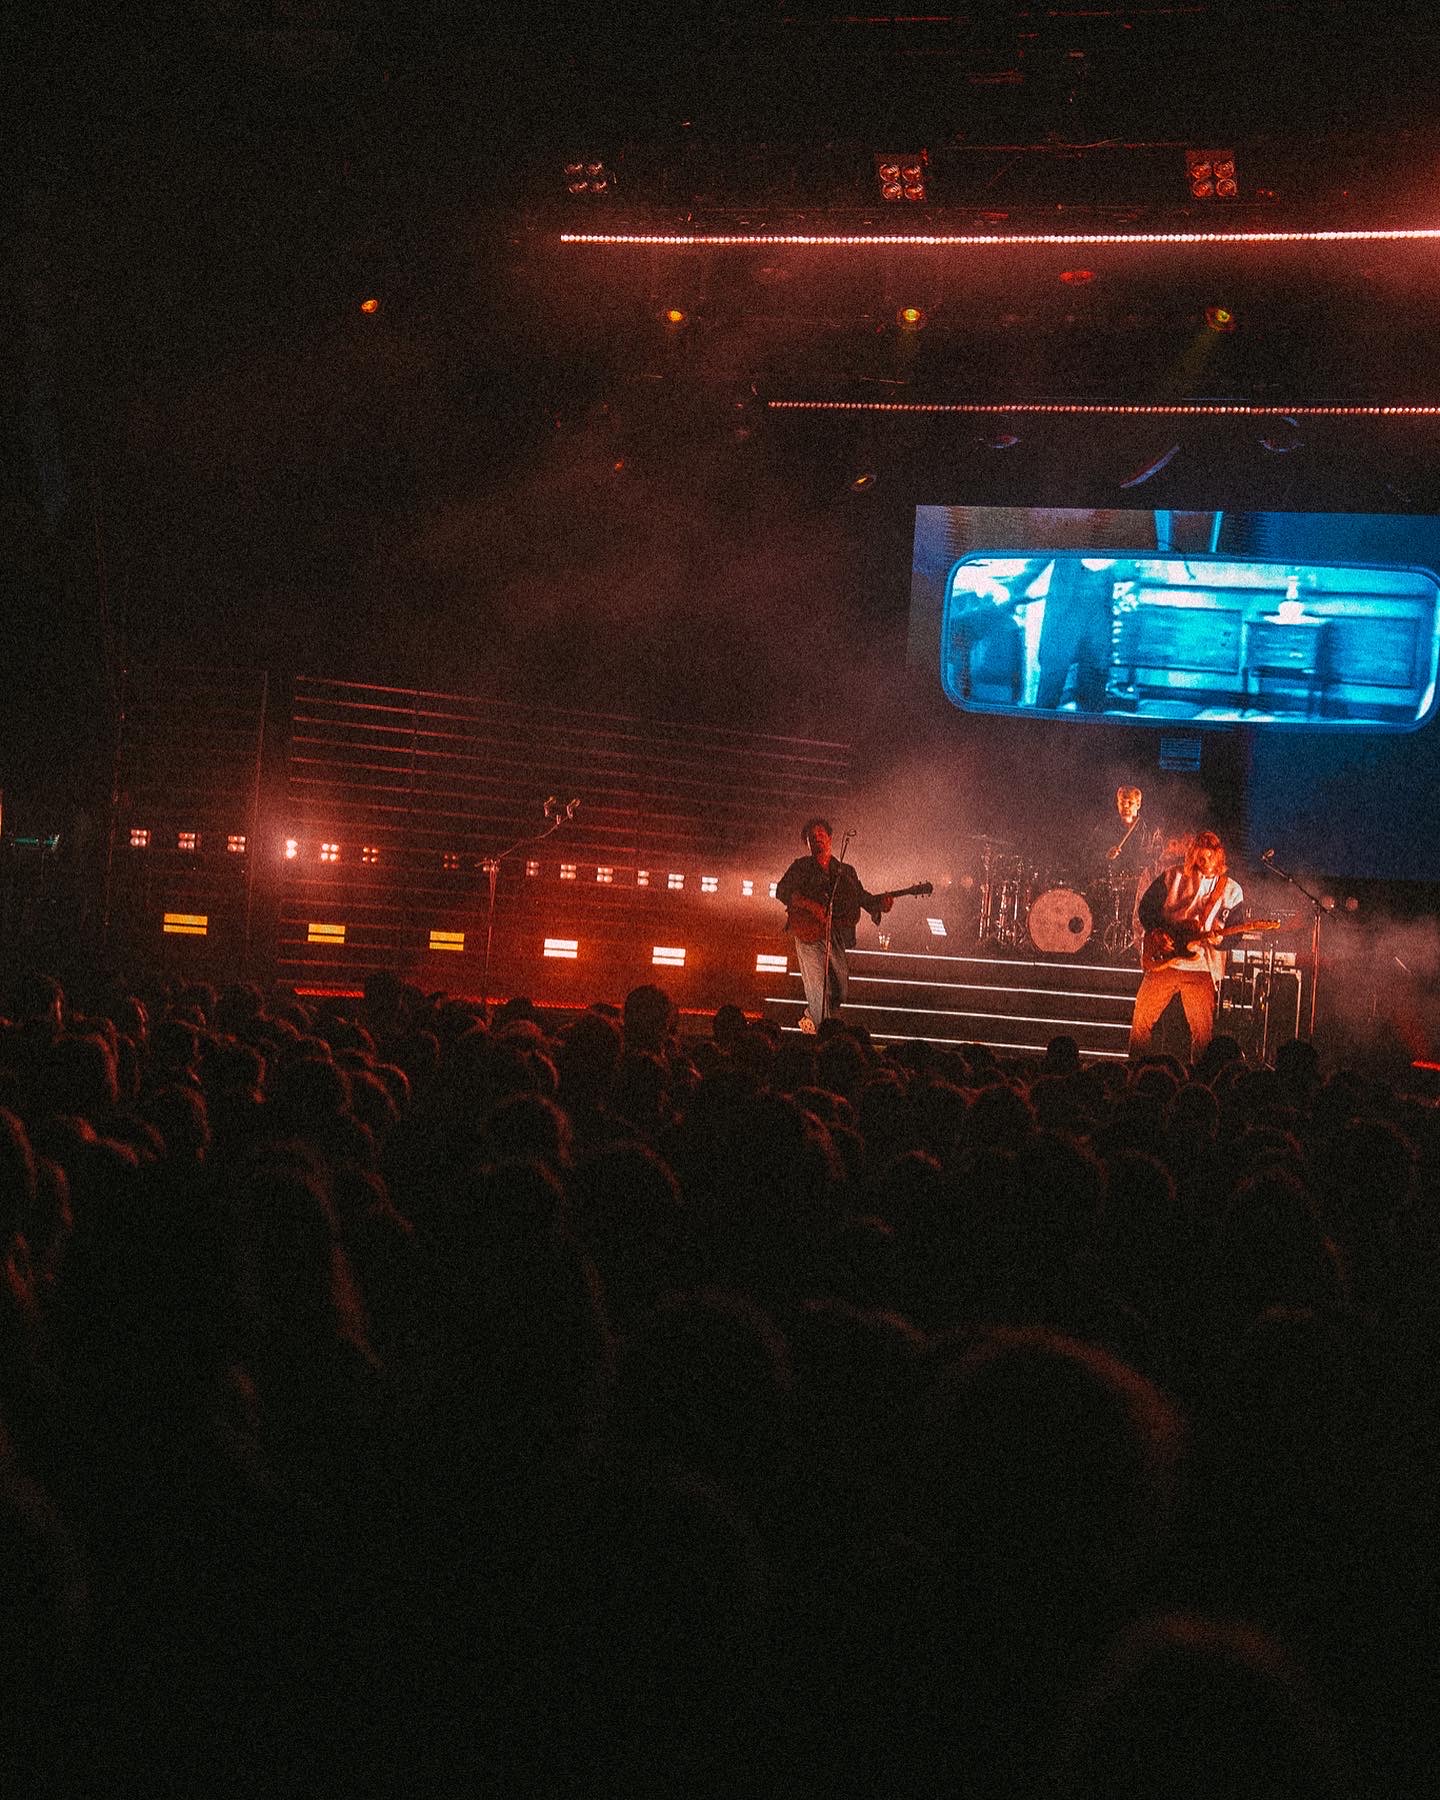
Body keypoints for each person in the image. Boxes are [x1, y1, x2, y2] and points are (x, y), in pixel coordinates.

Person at [1128, 830, 1245, 1062]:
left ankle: (1199, 1078)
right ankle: (1133, 1068)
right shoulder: (1172, 876)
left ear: (1219, 857)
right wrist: (1158, 932)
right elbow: (1146, 909)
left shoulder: (1232, 890)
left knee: (1202, 1033)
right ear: (1192, 856)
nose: (1205, 864)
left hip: (1201, 967)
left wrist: (1220, 940)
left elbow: (1235, 934)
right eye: (1200, 859)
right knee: (1141, 1020)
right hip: (1166, 961)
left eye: (1210, 858)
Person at [775, 818, 892, 1034]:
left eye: (820, 833)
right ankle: (823, 1034)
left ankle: (812, 1017)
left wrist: (880, 905)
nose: (816, 837)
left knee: (840, 988)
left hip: (836, 933)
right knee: (818, 986)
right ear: (807, 844)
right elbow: (781, 891)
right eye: (812, 836)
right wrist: (809, 905)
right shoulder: (800, 867)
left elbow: (861, 897)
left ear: (830, 838)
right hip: (808, 933)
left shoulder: (845, 871)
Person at [1035, 557, 1118, 711]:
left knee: (1094, 686)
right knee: (1051, 684)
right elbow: (1040, 555)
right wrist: (1016, 588)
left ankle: (1088, 731)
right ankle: (1041, 731)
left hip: (1099, 613)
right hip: (1064, 614)